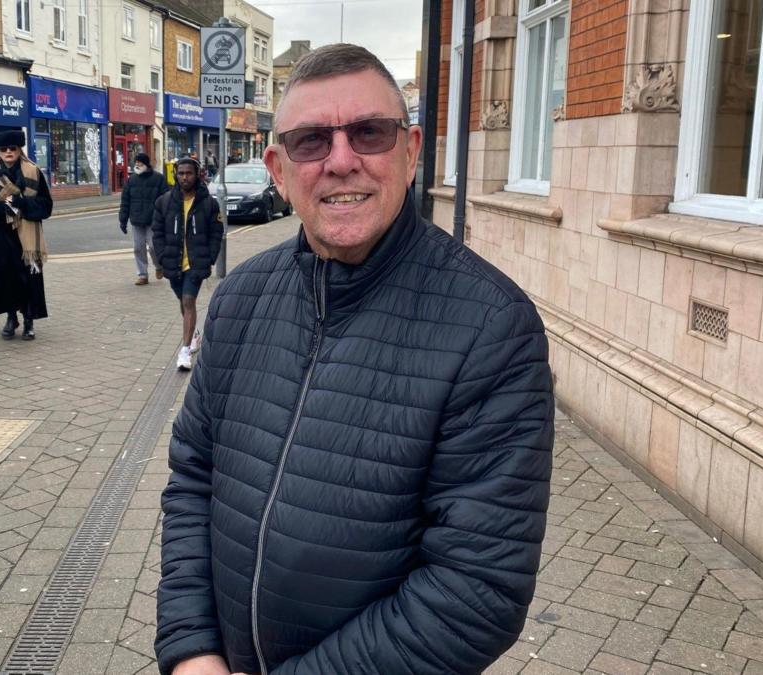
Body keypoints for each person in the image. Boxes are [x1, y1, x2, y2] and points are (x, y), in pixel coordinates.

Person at [155, 44, 553, 675]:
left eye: (369, 133)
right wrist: (191, 649)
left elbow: (475, 593)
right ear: (279, 169)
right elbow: (193, 481)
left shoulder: (490, 326)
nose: (341, 161)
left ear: (411, 151)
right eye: (311, 141)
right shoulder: (239, 299)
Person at [0, 130, 53, 341]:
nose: (8, 152)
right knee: (5, 278)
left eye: (13, 148)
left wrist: (21, 203)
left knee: (28, 278)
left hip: (27, 236)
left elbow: (46, 205)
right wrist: (2, 210)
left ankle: (28, 320)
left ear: (19, 150)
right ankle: (11, 318)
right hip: (1, 233)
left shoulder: (33, 171)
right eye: (4, 149)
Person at [151, 158, 222, 372]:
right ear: (176, 175)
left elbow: (216, 232)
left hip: (196, 263)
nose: (184, 177)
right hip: (173, 262)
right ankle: (194, 334)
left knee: (189, 300)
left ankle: (185, 351)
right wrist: (162, 257)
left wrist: (210, 257)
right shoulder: (164, 202)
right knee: (183, 301)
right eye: (180, 173)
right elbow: (157, 233)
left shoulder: (208, 203)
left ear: (197, 174)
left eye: (188, 173)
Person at [119, 153, 167, 285]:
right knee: (138, 248)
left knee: (153, 246)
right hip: (137, 220)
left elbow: (166, 199)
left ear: (146, 164)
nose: (137, 164)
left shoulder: (159, 178)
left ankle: (159, 266)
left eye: (140, 162)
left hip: (153, 220)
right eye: (136, 162)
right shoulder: (131, 180)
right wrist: (123, 220)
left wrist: (164, 217)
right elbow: (125, 202)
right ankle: (142, 275)